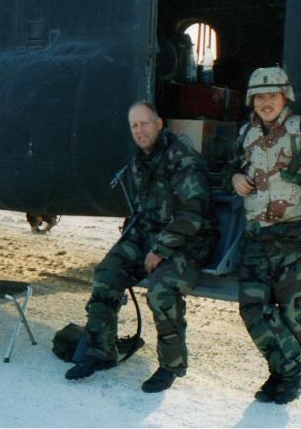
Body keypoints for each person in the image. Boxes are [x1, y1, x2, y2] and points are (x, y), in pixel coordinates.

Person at [65, 101, 217, 393]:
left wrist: (160, 249)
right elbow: (144, 211)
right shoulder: (141, 161)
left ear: (159, 124)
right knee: (106, 274)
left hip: (189, 242)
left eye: (144, 123)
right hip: (151, 237)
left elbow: (193, 213)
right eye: (134, 126)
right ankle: (101, 351)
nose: (139, 130)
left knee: (161, 291)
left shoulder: (182, 158)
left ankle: (171, 366)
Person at [223, 67, 301, 404]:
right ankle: (297, 371)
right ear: (252, 101)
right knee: (253, 307)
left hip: (295, 236)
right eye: (260, 97)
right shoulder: (245, 134)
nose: (266, 102)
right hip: (256, 238)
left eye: (272, 96)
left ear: (284, 97)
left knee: (295, 314)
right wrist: (233, 178)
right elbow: (227, 170)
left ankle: (283, 377)